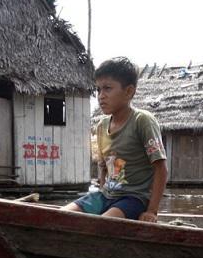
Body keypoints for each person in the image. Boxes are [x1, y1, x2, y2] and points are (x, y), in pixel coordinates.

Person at [63, 57, 167, 222]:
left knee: (102, 224)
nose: (101, 96)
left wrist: (152, 211)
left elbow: (160, 169)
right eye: (98, 90)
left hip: (133, 198)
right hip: (106, 196)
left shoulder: (142, 121)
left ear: (129, 92)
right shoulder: (101, 126)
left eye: (107, 89)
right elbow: (103, 167)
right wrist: (102, 194)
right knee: (61, 215)